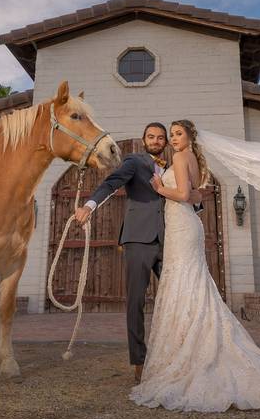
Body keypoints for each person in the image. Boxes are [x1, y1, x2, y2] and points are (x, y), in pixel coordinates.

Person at [128, 119, 260, 412]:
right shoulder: (192, 159)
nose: (173, 139)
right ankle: (192, 347)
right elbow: (198, 195)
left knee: (186, 283)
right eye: (171, 135)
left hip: (182, 227)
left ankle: (192, 353)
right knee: (189, 284)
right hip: (183, 225)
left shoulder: (181, 157)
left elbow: (186, 195)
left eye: (178, 134)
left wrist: (161, 187)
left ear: (188, 137)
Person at [74, 122, 201, 384]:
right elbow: (111, 183)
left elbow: (186, 196)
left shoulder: (173, 164)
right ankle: (139, 361)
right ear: (144, 140)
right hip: (138, 241)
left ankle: (181, 356)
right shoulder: (134, 162)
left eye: (160, 137)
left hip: (171, 240)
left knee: (180, 297)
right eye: (151, 137)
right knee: (135, 302)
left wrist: (195, 209)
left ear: (166, 142)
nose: (156, 140)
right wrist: (89, 205)